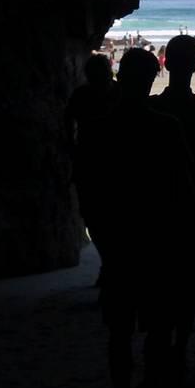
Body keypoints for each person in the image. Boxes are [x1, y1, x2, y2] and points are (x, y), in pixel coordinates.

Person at [89, 48, 195, 388]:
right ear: (153, 80)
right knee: (159, 326)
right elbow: (183, 191)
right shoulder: (166, 127)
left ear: (119, 77)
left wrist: (104, 244)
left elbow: (90, 196)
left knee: (119, 331)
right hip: (159, 242)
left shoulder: (100, 129)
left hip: (118, 242)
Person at [151, 35, 195, 373]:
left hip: (155, 213)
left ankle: (164, 355)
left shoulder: (152, 109)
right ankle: (185, 348)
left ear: (167, 62)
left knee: (160, 289)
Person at [62, 54, 117, 277]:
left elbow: (68, 118)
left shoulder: (82, 94)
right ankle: (111, 263)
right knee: (107, 215)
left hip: (89, 160)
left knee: (94, 216)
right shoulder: (117, 92)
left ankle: (109, 263)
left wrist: (71, 144)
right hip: (111, 162)